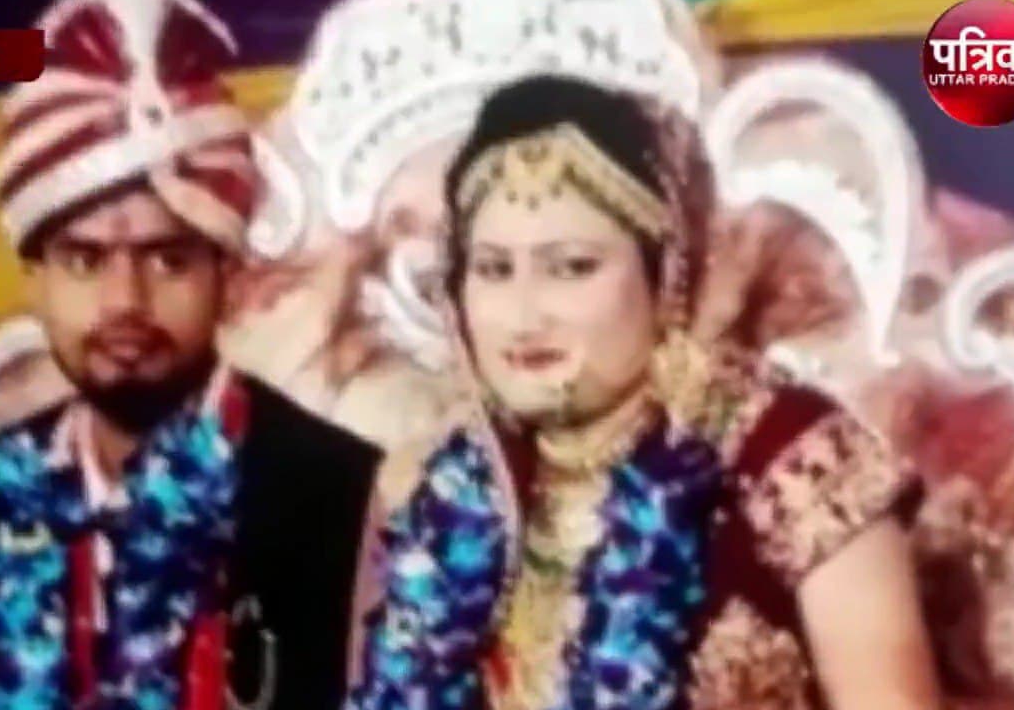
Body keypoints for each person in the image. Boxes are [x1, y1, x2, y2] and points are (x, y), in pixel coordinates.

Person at [345, 76, 940, 710]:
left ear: (666, 274)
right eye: (493, 269)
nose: (522, 316)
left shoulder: (793, 460)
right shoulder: (438, 490)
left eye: (572, 267)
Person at [0, 0, 380, 709]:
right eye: (84, 260)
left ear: (228, 278)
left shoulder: (332, 491)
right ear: (34, 282)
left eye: (168, 260)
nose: (124, 301)